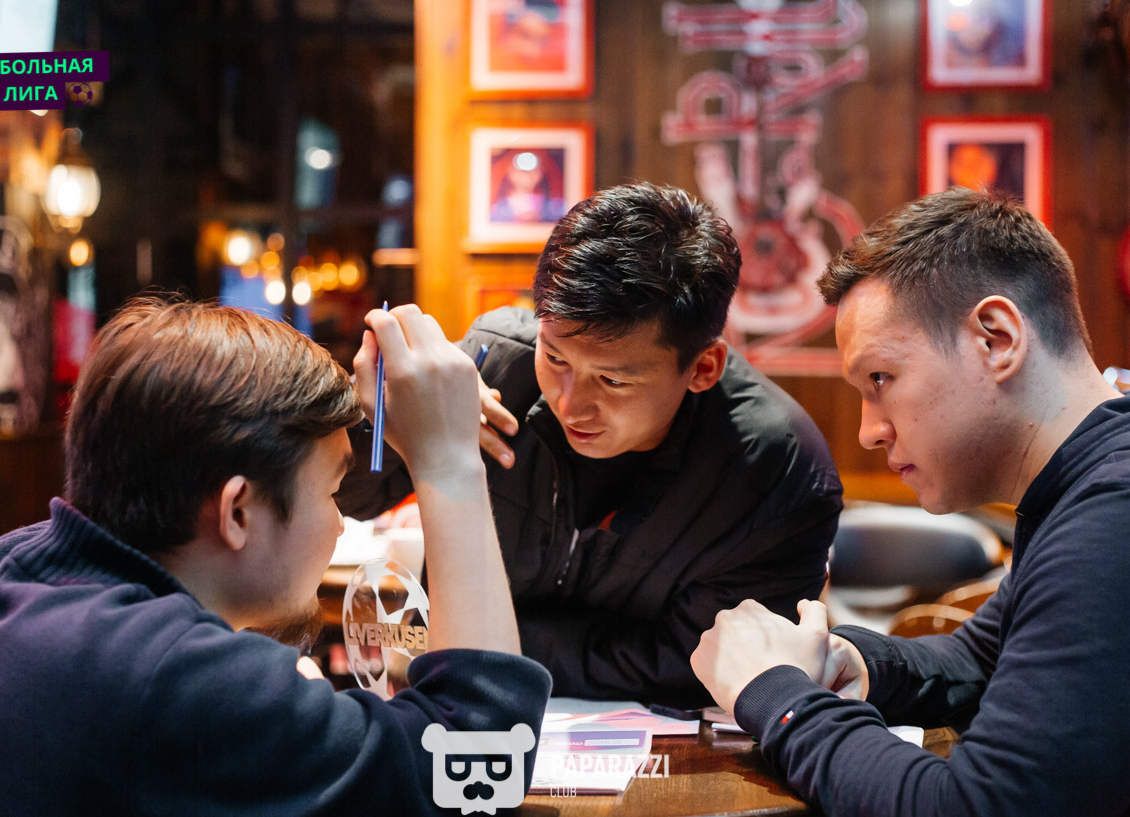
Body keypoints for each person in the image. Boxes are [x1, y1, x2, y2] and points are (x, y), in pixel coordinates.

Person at [0, 299, 552, 817]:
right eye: (332, 492)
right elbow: (483, 756)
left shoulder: (6, 567)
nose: (339, 525)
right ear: (237, 510)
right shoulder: (171, 681)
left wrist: (259, 693)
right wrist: (447, 466)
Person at [690, 188, 1130, 817]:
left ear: (996, 339)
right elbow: (976, 660)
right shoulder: (1104, 476)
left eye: (880, 379)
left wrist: (776, 696)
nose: (867, 431)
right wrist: (849, 661)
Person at [338, 182, 842, 705]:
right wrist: (386, 416)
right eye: (555, 358)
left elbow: (697, 666)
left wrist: (477, 636)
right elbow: (349, 495)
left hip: (666, 746)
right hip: (461, 714)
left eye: (613, 380)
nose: (570, 404)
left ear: (703, 368)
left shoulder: (778, 470)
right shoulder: (498, 365)